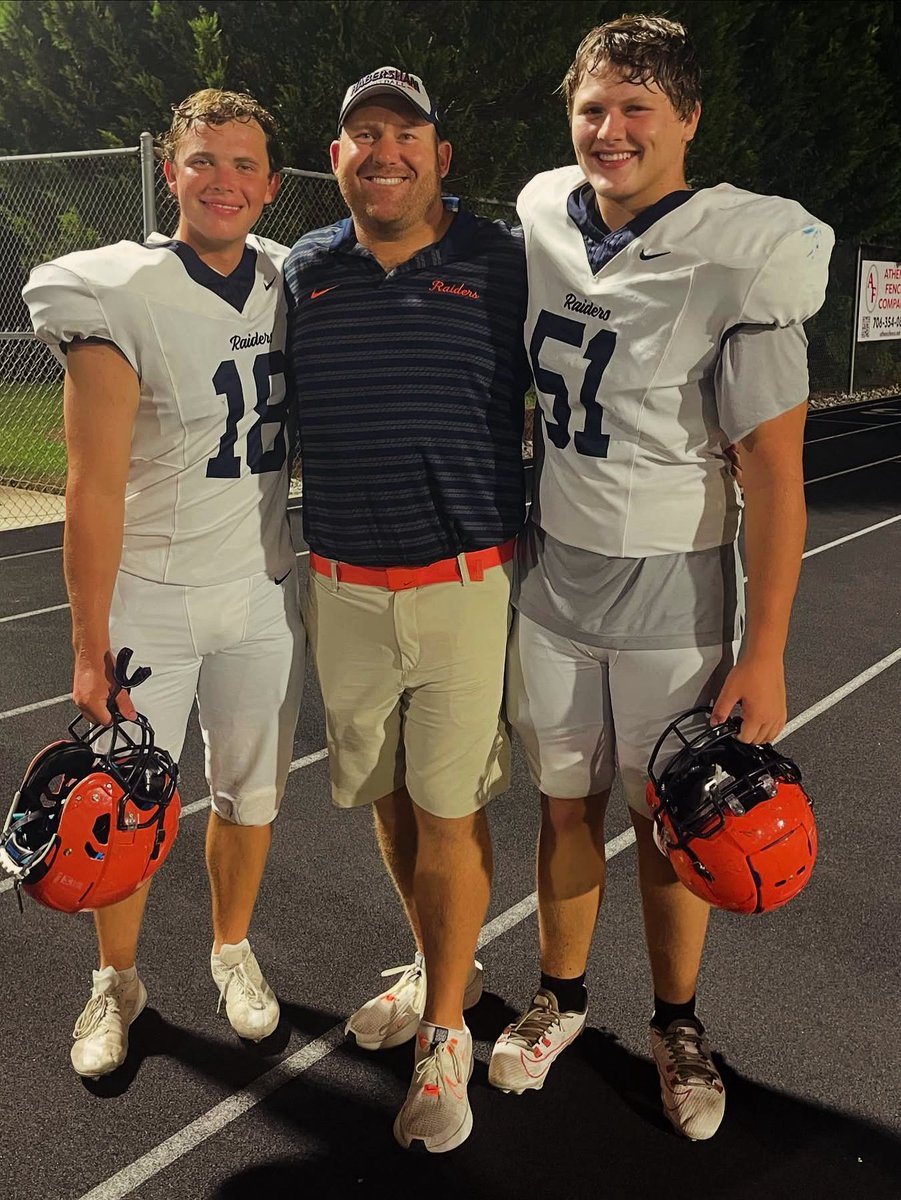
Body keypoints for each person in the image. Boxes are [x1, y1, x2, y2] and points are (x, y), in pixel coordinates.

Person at [488, 14, 833, 1141]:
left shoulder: (743, 249)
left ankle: (677, 1023)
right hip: (552, 577)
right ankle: (561, 995)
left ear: (687, 118)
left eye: (637, 107)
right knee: (563, 806)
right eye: (592, 107)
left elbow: (773, 478)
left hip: (670, 589)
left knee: (671, 821)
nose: (610, 130)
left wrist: (765, 650)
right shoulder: (545, 209)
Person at [23, 89, 305, 1078]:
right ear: (170, 171)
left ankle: (231, 948)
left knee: (251, 795)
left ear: (271, 184)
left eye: (243, 164)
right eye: (203, 161)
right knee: (123, 804)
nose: (223, 181)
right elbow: (91, 487)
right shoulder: (116, 288)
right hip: (151, 593)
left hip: (263, 588)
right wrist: (87, 641)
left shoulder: (296, 278)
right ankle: (118, 979)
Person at [284, 66, 529, 1153]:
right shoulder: (305, 268)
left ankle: (445, 1034)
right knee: (387, 794)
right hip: (342, 586)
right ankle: (439, 965)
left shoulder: (503, 262)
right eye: (363, 135)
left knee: (447, 806)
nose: (384, 152)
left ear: (441, 156)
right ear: (336, 158)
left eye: (405, 134)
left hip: (461, 584)